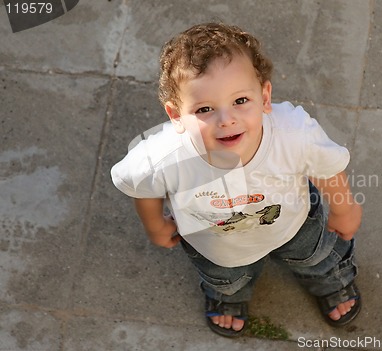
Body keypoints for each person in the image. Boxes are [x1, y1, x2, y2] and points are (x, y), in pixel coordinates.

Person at [111, 22, 362, 338]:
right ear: (176, 115)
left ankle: (331, 279)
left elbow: (326, 167)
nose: (226, 119)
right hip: (214, 242)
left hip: (296, 222)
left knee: (318, 256)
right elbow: (140, 184)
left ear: (265, 96)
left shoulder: (294, 134)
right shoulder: (163, 157)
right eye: (204, 108)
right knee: (226, 277)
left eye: (241, 100)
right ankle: (230, 295)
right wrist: (154, 224)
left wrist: (343, 207)